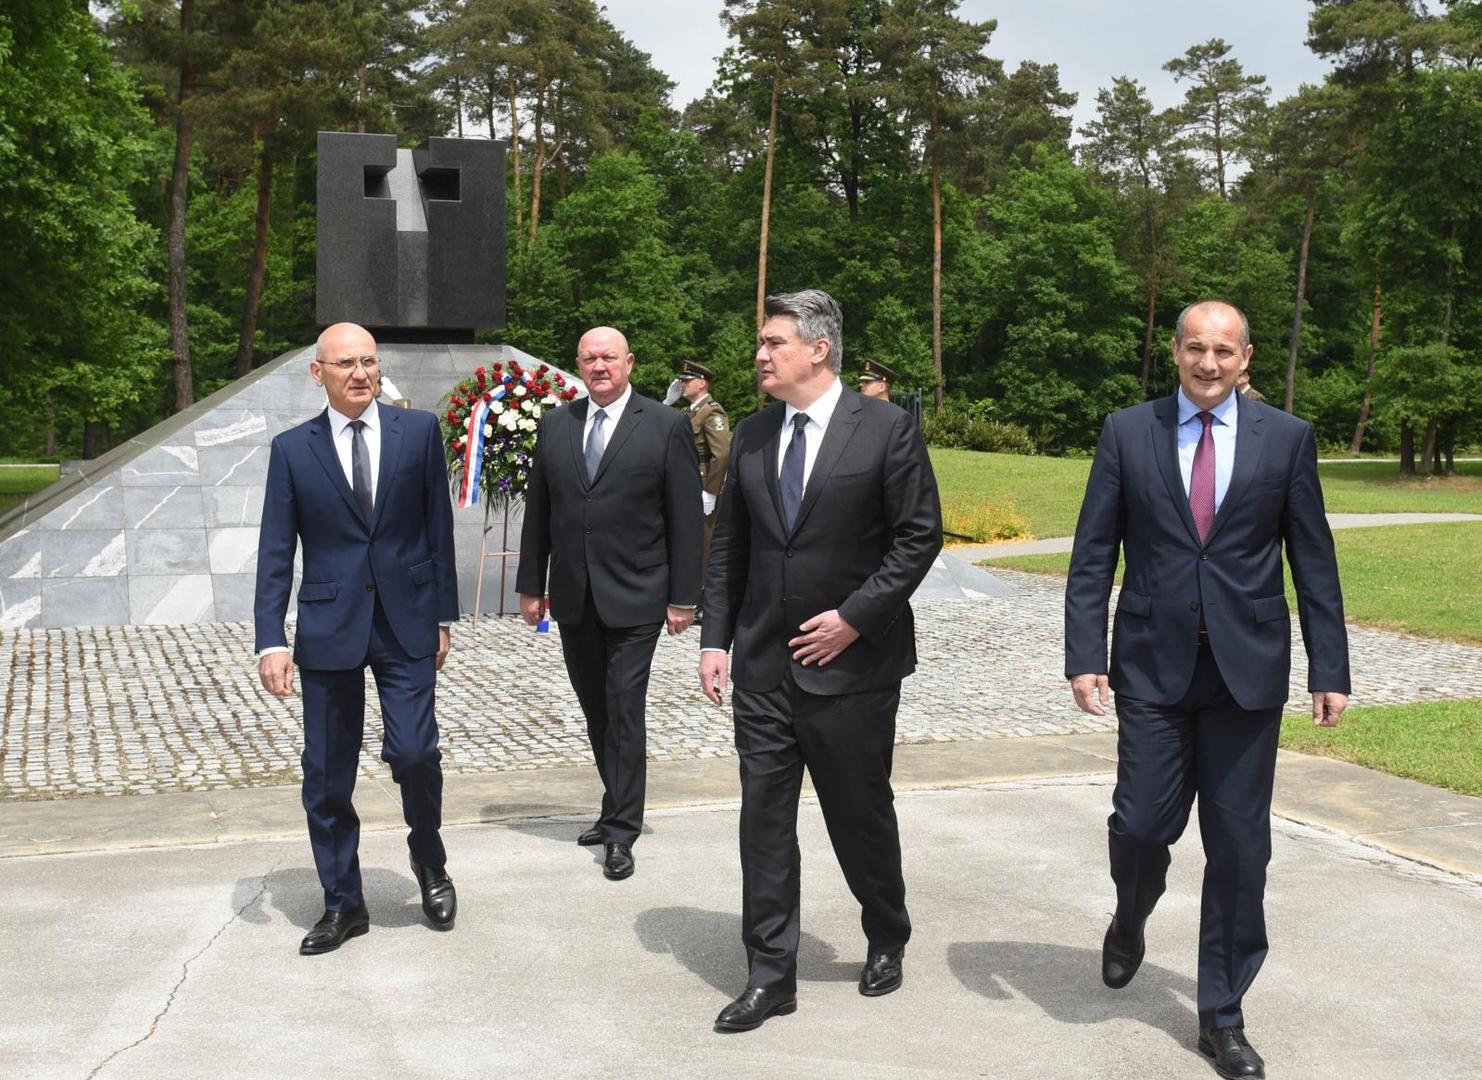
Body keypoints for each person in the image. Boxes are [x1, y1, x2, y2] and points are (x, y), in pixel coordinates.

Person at [1065, 300, 1350, 1079]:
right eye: (1196, 349)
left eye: (1224, 351)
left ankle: (1221, 1016)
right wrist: (1083, 654)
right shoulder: (1128, 431)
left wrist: (1331, 668)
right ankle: (1131, 914)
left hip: (1246, 675)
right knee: (1142, 823)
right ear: (1176, 352)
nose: (1209, 364)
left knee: (1239, 852)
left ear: (1247, 358)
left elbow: (1313, 560)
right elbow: (1093, 554)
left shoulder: (1286, 440)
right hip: (1152, 668)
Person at [698, 290, 943, 1033]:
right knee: (763, 822)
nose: (760, 355)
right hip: (765, 668)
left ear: (818, 349)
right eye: (760, 343)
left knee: (857, 813)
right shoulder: (752, 433)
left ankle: (887, 929)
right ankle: (771, 974)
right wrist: (716, 639)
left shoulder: (887, 429)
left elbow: (918, 536)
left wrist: (855, 620)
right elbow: (731, 547)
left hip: (854, 670)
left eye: (774, 342)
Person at [255, 322, 460, 955]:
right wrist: (272, 639)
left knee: (415, 753)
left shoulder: (419, 432)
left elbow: (438, 528)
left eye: (369, 361)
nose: (360, 373)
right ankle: (344, 902)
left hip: (407, 622)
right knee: (325, 775)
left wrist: (443, 618)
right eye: (345, 364)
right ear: (318, 374)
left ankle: (428, 859)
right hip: (328, 628)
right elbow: (274, 550)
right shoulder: (293, 450)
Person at [516, 327, 704, 881]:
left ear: (630, 363)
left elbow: (686, 520)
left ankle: (622, 830)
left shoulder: (667, 425)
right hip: (575, 596)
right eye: (589, 358)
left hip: (640, 594)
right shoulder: (557, 424)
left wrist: (684, 598)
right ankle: (614, 803)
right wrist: (533, 585)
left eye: (609, 358)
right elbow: (540, 514)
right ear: (578, 364)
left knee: (624, 706)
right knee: (596, 707)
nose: (599, 366)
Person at [678, 360, 731, 572]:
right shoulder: (688, 411)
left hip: (703, 479)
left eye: (687, 381)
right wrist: (666, 403)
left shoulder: (711, 411)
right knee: (689, 535)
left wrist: (711, 490)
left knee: (704, 537)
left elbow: (722, 453)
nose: (682, 385)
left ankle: (704, 592)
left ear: (701, 383)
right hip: (688, 478)